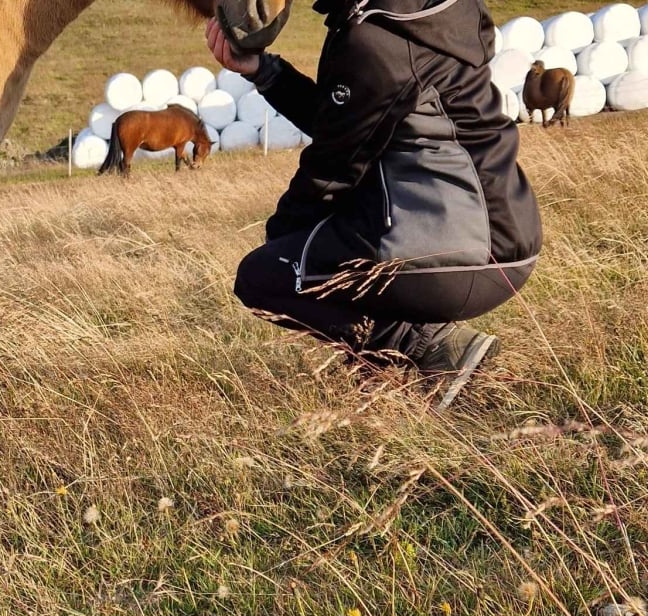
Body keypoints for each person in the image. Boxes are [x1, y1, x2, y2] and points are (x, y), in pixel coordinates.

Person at [206, 0, 541, 409]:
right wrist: (264, 72)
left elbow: (335, 163)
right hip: (503, 238)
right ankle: (386, 376)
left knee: (260, 277)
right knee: (305, 256)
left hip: (461, 249)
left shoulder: (376, 39)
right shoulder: (417, 20)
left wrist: (283, 241)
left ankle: (429, 345)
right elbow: (347, 123)